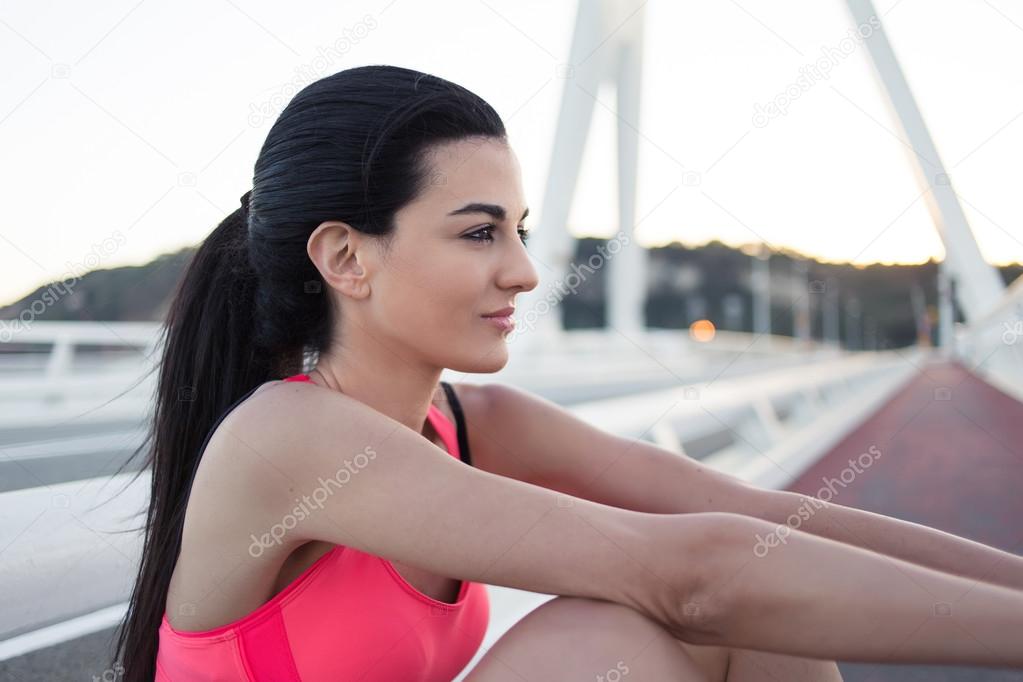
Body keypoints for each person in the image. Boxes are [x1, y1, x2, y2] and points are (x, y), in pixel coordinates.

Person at [112, 65, 1023, 681]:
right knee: (609, 636)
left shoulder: (474, 421)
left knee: (751, 619)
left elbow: (759, 520)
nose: (524, 269)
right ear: (346, 257)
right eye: (479, 233)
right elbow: (688, 575)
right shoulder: (289, 437)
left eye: (517, 227)